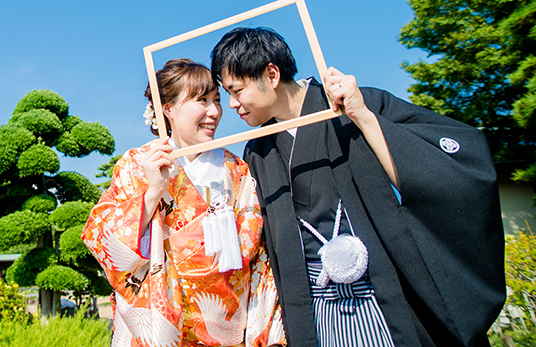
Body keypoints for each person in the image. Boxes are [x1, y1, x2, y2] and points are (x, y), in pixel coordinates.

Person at [210, 27, 505, 347]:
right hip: (316, 311)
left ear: (271, 74)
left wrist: (363, 117)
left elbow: (445, 173)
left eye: (237, 90)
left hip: (386, 298)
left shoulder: (357, 105)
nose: (232, 104)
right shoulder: (258, 150)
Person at [82, 58, 286, 347]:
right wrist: (152, 193)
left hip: (226, 329)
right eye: (202, 100)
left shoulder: (237, 171)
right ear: (168, 109)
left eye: (217, 100)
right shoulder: (137, 165)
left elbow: (259, 255)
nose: (214, 111)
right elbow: (102, 238)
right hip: (159, 326)